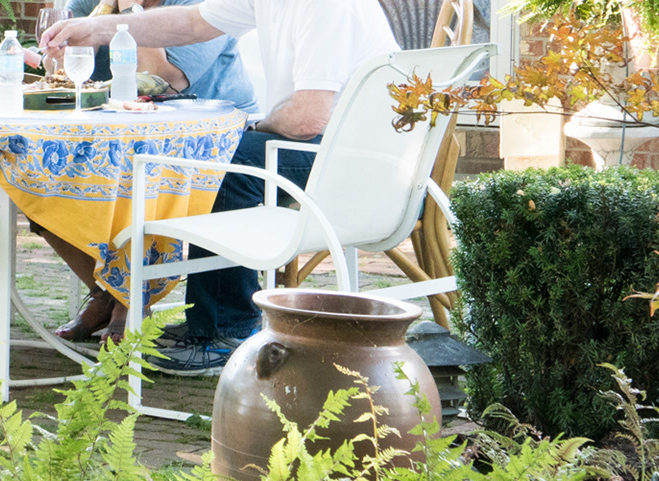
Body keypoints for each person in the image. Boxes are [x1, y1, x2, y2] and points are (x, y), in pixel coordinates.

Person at [43, 0, 400, 375]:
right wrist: (98, 28)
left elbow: (307, 119)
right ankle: (187, 314)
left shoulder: (325, 6)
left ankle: (225, 332)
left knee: (221, 163)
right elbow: (192, 23)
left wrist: (255, 127)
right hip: (333, 146)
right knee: (216, 155)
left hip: (358, 163)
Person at [32, 0, 258, 344]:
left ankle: (129, 301)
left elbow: (163, 79)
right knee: (42, 175)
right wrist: (62, 53)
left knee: (135, 186)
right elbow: (59, 71)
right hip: (119, 128)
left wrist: (130, 11)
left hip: (208, 138)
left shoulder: (199, 5)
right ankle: (109, 293)